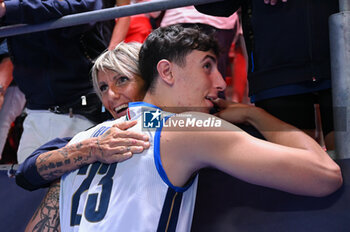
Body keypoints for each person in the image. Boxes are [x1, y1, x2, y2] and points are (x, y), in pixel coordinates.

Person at [26, 24, 342, 231]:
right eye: (207, 66)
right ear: (166, 72)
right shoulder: (187, 126)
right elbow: (325, 176)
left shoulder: (84, 139)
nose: (220, 83)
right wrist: (254, 115)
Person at [196, 0, 338, 149]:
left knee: (344, 158)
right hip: (277, 64)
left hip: (340, 52)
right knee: (296, 162)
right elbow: (213, 6)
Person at [0, 0, 128, 164]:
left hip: (81, 110)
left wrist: (9, 9)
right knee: (29, 180)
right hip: (36, 111)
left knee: (77, 183)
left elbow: (81, 7)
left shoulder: (14, 6)